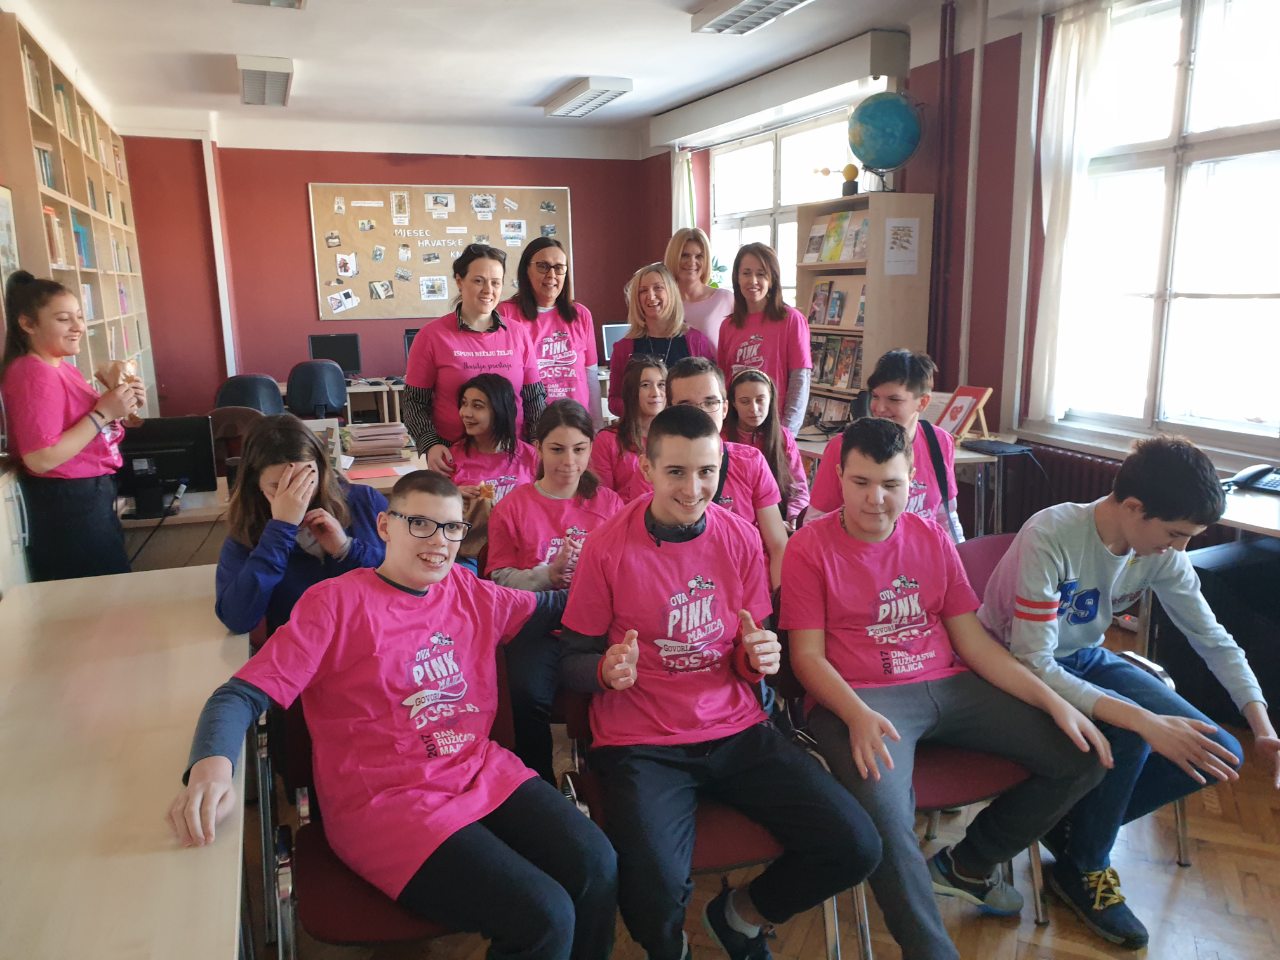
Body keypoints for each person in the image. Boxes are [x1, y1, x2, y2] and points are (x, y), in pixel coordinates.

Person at [169, 470, 617, 960]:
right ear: (385, 526)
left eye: (451, 528)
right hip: (384, 802)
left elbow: (554, 605)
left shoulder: (468, 591)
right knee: (544, 916)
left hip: (477, 770)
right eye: (420, 524)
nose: (439, 542)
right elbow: (239, 695)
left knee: (598, 864)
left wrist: (633, 584)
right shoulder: (334, 605)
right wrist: (211, 765)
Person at [782, 417, 1111, 960]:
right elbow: (807, 659)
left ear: (912, 479)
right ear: (837, 477)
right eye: (860, 482)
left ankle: (969, 862)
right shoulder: (809, 547)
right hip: (861, 700)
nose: (875, 499)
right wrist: (856, 715)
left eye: (890, 484)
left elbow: (974, 644)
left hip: (949, 686)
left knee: (1085, 752)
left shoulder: (930, 536)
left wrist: (1055, 701)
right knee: (888, 823)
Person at [560, 405, 881, 960]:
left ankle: (739, 916)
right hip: (642, 741)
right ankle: (672, 949)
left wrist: (757, 658)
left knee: (855, 845)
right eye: (676, 472)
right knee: (653, 891)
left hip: (737, 730)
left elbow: (747, 652)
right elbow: (570, 660)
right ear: (647, 469)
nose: (693, 489)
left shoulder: (739, 536)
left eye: (707, 472)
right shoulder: (607, 545)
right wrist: (604, 671)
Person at [978, 436, 1279, 950]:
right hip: (1011, 668)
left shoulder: (1158, 551)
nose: (1179, 548)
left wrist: (1262, 724)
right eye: (1175, 534)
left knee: (1221, 751)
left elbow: (1212, 639)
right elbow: (1034, 662)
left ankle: (1070, 830)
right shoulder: (1053, 533)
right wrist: (1141, 719)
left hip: (1083, 657)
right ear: (1134, 508)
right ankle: (1085, 864)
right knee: (1135, 730)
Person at [486, 399, 624, 781]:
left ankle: (607, 778)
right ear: (538, 448)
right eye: (557, 449)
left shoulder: (610, 504)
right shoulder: (512, 507)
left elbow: (628, 572)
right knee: (525, 695)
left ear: (591, 448)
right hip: (538, 627)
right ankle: (540, 784)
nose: (569, 462)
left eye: (579, 449)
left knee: (623, 683)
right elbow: (499, 581)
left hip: (596, 626)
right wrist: (549, 574)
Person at [0, 270, 145, 581]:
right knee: (99, 596)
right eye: (64, 319)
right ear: (27, 324)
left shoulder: (62, 368)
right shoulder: (34, 373)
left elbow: (85, 430)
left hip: (88, 497)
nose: (78, 326)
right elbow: (40, 457)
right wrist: (103, 413)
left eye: (79, 316)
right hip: (68, 505)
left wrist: (121, 407)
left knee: (111, 591)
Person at [215, 413, 387, 635]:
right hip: (304, 649)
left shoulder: (365, 502)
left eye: (306, 481)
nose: (296, 496)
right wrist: (280, 531)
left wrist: (347, 549)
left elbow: (409, 581)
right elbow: (237, 619)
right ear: (255, 483)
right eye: (278, 486)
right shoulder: (247, 532)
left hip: (376, 641)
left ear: (321, 469)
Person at [403, 244, 546, 473]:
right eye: (479, 281)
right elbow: (414, 403)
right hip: (452, 460)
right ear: (460, 281)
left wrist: (539, 442)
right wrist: (430, 445)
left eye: (496, 282)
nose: (488, 290)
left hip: (514, 457)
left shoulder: (518, 333)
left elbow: (534, 398)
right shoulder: (431, 336)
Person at [809, 349, 963, 541]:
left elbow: (946, 516)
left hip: (922, 552)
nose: (879, 408)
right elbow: (816, 521)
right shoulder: (844, 445)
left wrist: (957, 553)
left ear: (922, 402)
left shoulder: (940, 442)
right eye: (875, 396)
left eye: (894, 399)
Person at [666, 357, 787, 590]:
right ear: (669, 411)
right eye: (686, 405)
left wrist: (776, 601)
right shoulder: (656, 469)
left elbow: (778, 546)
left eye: (710, 402)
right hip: (690, 594)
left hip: (751, 588)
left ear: (724, 408)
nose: (700, 414)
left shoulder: (751, 462)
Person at [498, 237, 602, 426]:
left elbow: (591, 375)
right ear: (526, 270)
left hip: (577, 424)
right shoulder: (506, 313)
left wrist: (596, 425)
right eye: (543, 266)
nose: (552, 274)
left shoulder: (581, 314)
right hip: (529, 427)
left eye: (559, 267)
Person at [447, 373, 539, 575]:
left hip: (521, 550)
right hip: (470, 554)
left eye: (477, 406)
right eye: (464, 404)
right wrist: (452, 495)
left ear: (499, 411)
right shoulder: (451, 457)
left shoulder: (530, 456)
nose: (466, 413)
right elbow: (433, 511)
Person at [715, 243, 812, 436]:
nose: (753, 281)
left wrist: (787, 433)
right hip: (736, 431)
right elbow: (723, 382)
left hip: (775, 429)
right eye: (746, 273)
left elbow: (800, 381)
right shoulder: (728, 326)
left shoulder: (792, 320)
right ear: (737, 278)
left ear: (772, 279)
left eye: (761, 274)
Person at [608, 263, 714, 418]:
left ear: (671, 293)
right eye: (643, 291)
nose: (651, 296)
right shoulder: (623, 348)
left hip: (686, 427)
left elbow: (710, 395)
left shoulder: (696, 342)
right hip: (643, 431)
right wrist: (644, 409)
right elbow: (614, 401)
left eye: (658, 288)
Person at [725, 368, 809, 531]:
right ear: (733, 403)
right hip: (735, 523)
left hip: (780, 519)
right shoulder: (721, 438)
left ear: (771, 400)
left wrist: (795, 518)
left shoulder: (784, 437)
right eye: (744, 401)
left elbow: (798, 487)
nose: (754, 409)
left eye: (760, 400)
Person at [590, 358, 665, 502]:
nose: (655, 393)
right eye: (645, 385)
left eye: (661, 384)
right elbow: (602, 500)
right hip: (624, 513)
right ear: (631, 392)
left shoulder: (677, 437)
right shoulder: (607, 440)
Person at [663, 227, 734, 351]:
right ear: (673, 257)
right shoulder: (662, 302)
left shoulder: (725, 299)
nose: (692, 262)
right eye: (685, 255)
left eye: (699, 256)